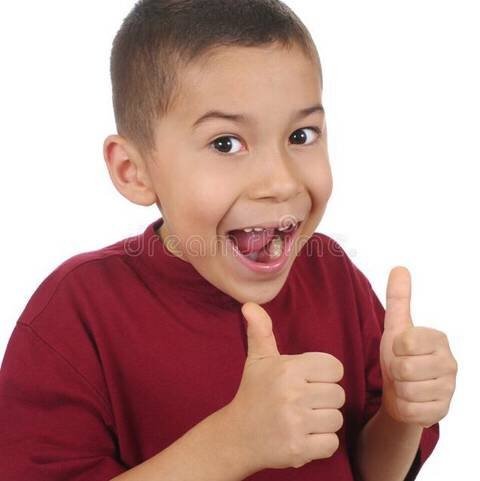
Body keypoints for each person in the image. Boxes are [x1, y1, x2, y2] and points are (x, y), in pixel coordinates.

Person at [0, 1, 457, 480]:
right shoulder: (76, 312)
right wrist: (232, 444)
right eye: (226, 143)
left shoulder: (334, 276)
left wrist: (401, 416)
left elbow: (370, 472)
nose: (280, 181)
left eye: (301, 135)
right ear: (133, 170)